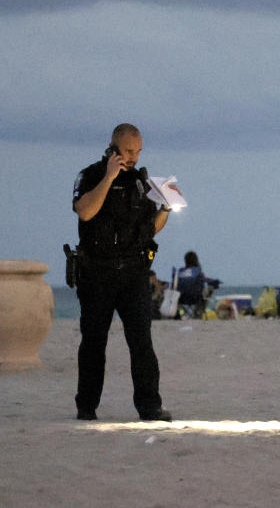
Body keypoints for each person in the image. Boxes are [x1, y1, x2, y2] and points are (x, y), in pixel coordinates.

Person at [72, 123, 173, 422]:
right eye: (129, 151)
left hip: (134, 274)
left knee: (142, 341)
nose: (133, 157)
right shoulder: (90, 175)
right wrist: (109, 176)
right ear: (114, 147)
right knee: (93, 342)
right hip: (97, 273)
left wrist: (165, 209)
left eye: (138, 152)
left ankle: (150, 407)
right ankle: (86, 406)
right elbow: (85, 211)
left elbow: (150, 229)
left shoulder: (143, 184)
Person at [175, 251, 221, 318]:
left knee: (179, 300)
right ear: (196, 260)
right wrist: (216, 282)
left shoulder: (180, 272)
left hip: (181, 298)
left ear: (185, 261)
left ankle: (182, 313)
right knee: (210, 289)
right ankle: (199, 312)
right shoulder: (198, 271)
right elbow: (206, 280)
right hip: (196, 298)